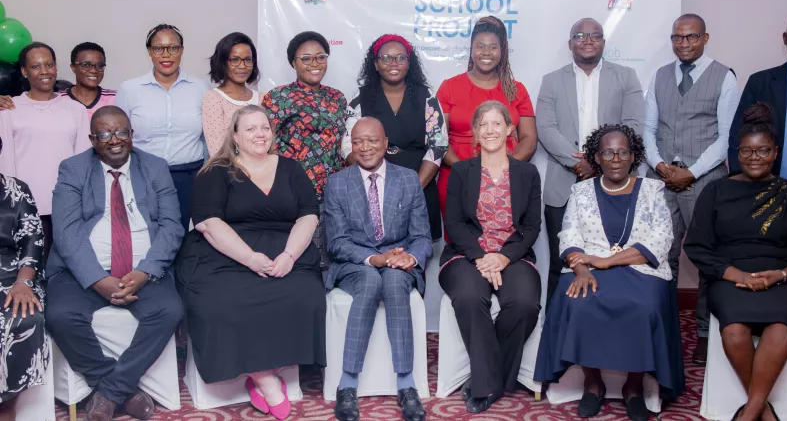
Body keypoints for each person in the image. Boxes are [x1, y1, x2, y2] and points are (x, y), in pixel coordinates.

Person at [177, 105, 325, 420]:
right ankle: (264, 377)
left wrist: (289, 255)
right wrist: (250, 258)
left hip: (286, 251)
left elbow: (309, 215)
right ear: (234, 135)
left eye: (265, 128)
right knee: (225, 300)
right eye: (250, 129)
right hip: (224, 254)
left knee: (304, 294)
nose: (260, 134)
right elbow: (208, 223)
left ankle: (265, 369)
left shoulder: (291, 168)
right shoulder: (215, 171)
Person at [534, 124, 683, 421]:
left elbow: (662, 239)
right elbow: (568, 236)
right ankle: (593, 382)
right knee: (579, 302)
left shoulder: (653, 190)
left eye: (622, 152)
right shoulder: (580, 191)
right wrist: (581, 268)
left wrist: (605, 263)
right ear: (597, 157)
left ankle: (634, 386)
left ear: (633, 156)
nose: (615, 158)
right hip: (588, 266)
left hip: (642, 270)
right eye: (608, 152)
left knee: (645, 307)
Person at [46, 106, 185, 421]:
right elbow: (65, 233)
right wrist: (97, 280)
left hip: (142, 270)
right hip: (82, 272)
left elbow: (172, 226)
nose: (114, 140)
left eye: (121, 132)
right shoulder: (73, 168)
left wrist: (145, 271)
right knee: (60, 314)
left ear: (132, 135)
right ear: (93, 139)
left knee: (170, 310)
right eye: (105, 134)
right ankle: (122, 389)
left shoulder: (155, 167)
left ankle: (108, 393)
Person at [685, 103, 787, 421]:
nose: (754, 157)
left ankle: (749, 412)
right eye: (747, 151)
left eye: (762, 150)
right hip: (730, 276)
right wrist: (737, 275)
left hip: (782, 278)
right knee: (734, 331)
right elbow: (697, 245)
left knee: (780, 327)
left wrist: (780, 275)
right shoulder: (716, 190)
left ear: (775, 152)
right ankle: (764, 412)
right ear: (736, 152)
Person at [642, 13, 740, 365]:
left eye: (691, 37)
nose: (684, 43)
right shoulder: (659, 76)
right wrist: (660, 166)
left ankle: (702, 333)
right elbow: (648, 129)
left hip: (705, 181)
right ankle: (663, 326)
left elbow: (727, 137)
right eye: (678, 38)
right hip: (662, 180)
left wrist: (692, 172)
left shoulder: (724, 77)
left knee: (704, 258)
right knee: (660, 255)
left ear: (705, 38)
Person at [325, 117, 431, 421]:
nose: (365, 147)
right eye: (357, 141)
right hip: (356, 264)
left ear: (386, 144)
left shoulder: (408, 179)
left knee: (396, 282)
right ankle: (348, 384)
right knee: (371, 281)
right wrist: (375, 259)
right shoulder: (337, 183)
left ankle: (406, 384)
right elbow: (337, 242)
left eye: (372, 140)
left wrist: (411, 258)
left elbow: (421, 236)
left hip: (398, 260)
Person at [440, 101, 542, 413]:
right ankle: (488, 386)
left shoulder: (527, 173)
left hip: (513, 254)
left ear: (510, 130)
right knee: (471, 298)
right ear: (473, 132)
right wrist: (483, 257)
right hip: (466, 255)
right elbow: (454, 223)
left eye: (497, 124)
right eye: (483, 125)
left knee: (524, 304)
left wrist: (503, 258)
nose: (490, 130)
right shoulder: (460, 171)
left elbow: (531, 226)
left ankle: (488, 374)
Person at [537, 17, 644, 309]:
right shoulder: (552, 80)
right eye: (580, 35)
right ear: (570, 42)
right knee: (563, 262)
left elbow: (633, 126)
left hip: (614, 182)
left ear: (604, 43)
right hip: (563, 184)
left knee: (611, 255)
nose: (587, 40)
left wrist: (597, 165)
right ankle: (555, 328)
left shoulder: (626, 77)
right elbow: (546, 129)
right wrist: (578, 164)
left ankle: (605, 323)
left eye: (594, 35)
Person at [436, 16, 536, 238]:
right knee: (462, 243)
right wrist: (469, 173)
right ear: (471, 50)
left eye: (493, 47)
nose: (486, 52)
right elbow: (438, 139)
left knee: (506, 242)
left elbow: (529, 140)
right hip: (457, 175)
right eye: (479, 46)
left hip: (508, 178)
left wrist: (502, 171)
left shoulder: (517, 90)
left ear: (502, 52)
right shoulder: (449, 87)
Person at [342, 34, 447, 240]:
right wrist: (374, 182)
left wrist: (413, 189)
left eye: (400, 58)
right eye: (386, 58)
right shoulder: (360, 98)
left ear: (409, 62)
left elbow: (438, 145)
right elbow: (347, 145)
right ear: (375, 63)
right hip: (373, 188)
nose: (393, 63)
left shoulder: (427, 96)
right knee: (374, 250)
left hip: (420, 183)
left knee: (415, 256)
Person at [0, 42, 90, 263]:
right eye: (36, 66)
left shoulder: (75, 109)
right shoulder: (9, 109)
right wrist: (13, 207)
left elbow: (84, 160)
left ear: (56, 68)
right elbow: (6, 161)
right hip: (25, 208)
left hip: (66, 205)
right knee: (30, 265)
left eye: (49, 64)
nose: (44, 71)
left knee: (64, 266)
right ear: (24, 71)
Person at [263, 31, 347, 266]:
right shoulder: (279, 97)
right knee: (298, 257)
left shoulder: (337, 98)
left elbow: (344, 143)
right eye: (306, 58)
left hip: (333, 190)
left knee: (331, 257)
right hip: (293, 191)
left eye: (321, 57)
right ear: (293, 63)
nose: (315, 64)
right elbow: (264, 144)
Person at [116, 24, 211, 231]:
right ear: (149, 51)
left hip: (188, 177)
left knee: (184, 236)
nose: (166, 54)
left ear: (182, 50)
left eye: (173, 48)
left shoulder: (200, 88)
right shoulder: (130, 90)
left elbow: (207, 137)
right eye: (158, 48)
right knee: (146, 235)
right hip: (143, 176)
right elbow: (120, 138)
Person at [0, 136, 49, 421]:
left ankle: (6, 407)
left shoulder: (16, 190)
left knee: (23, 317)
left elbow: (33, 239)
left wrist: (23, 282)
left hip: (13, 273)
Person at [727, 11, 787, 177]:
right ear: (785, 38)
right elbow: (738, 133)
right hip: (768, 188)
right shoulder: (760, 82)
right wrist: (739, 178)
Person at [0, 42, 115, 116]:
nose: (94, 70)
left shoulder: (117, 98)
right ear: (73, 67)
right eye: (86, 65)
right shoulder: (57, 100)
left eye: (100, 65)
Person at [202, 32, 261, 156]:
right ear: (222, 62)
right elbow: (217, 151)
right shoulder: (214, 98)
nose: (242, 66)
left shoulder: (263, 98)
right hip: (229, 172)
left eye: (247, 60)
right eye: (235, 60)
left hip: (264, 172)